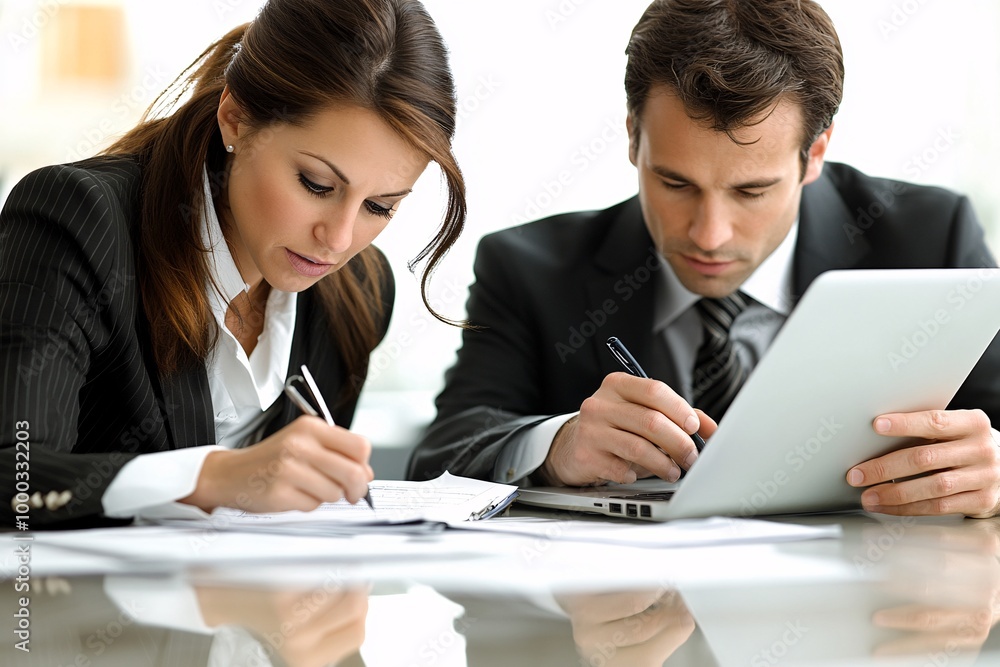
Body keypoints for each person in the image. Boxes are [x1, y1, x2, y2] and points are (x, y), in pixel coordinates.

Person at [408, 0, 1000, 519]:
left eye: (751, 191)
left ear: (814, 153)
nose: (710, 235)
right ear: (633, 136)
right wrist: (555, 445)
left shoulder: (931, 241)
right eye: (674, 182)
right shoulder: (530, 268)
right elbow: (439, 457)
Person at [0, 0, 466, 529]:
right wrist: (211, 478)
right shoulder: (81, 220)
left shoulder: (361, 291)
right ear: (236, 119)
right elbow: (11, 476)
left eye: (379, 206)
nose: (337, 239)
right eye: (316, 184)